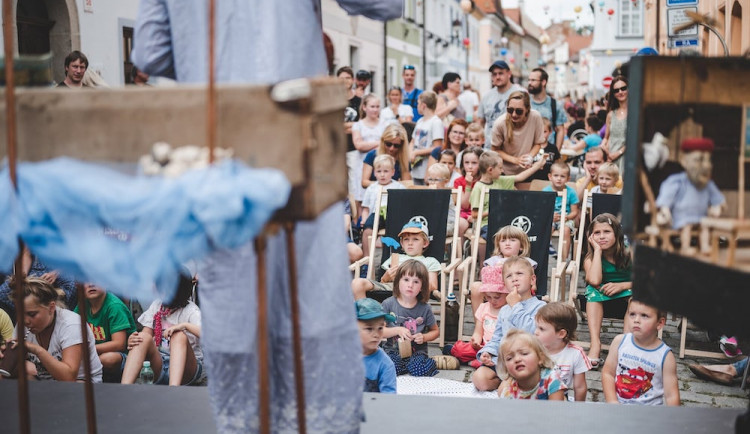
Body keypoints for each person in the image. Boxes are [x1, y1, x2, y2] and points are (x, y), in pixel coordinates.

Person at [133, 0, 400, 429]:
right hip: (295, 149)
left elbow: (150, 53)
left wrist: (206, 51)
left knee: (238, 313)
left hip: (219, 149)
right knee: (307, 304)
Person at [473, 257, 546, 391]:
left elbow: (532, 332)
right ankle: (504, 381)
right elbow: (497, 337)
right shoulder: (504, 310)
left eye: (519, 274)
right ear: (505, 284)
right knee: (479, 378)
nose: (514, 278)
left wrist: (516, 305)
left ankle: (511, 384)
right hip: (505, 361)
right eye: (509, 276)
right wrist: (488, 353)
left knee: (505, 391)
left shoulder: (541, 307)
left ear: (532, 279)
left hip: (527, 362)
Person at [11, 277, 103, 382]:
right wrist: (7, 359)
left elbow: (68, 378)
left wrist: (37, 350)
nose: (25, 321)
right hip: (46, 381)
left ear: (51, 307)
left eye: (32, 314)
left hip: (82, 382)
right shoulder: (23, 325)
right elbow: (11, 372)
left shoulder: (71, 325)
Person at [121, 270, 204, 386]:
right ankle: (125, 387)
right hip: (160, 363)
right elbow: (146, 336)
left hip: (187, 368)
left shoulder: (191, 311)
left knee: (178, 335)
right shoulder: (157, 305)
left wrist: (184, 326)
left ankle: (173, 389)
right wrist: (135, 340)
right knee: (142, 337)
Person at [602, 300, 680, 406]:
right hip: (618, 408)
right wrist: (612, 401)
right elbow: (608, 373)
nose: (636, 320)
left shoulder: (665, 357)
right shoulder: (620, 342)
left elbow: (671, 396)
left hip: (648, 415)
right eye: (632, 314)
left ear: (660, 323)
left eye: (644, 316)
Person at [655, 137, 725, 255]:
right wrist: (664, 209)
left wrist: (717, 207)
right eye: (699, 160)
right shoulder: (678, 181)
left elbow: (718, 199)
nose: (706, 166)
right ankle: (685, 247)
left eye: (708, 160)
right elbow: (666, 196)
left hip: (701, 216)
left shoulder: (707, 184)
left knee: (705, 227)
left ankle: (705, 247)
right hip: (683, 217)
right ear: (684, 162)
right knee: (686, 227)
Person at [583, 213, 632, 368]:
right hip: (603, 294)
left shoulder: (630, 253)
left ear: (617, 234)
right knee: (592, 292)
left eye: (607, 232)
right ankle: (595, 344)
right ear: (591, 237)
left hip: (629, 292)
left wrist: (623, 286)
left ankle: (626, 346)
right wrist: (597, 251)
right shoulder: (590, 258)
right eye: (597, 233)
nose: (601, 237)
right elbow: (595, 281)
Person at [351, 218, 441, 301]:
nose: (410, 243)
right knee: (357, 284)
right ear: (401, 243)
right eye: (406, 239)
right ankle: (364, 315)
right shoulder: (395, 257)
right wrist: (386, 277)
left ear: (425, 243)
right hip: (391, 288)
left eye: (415, 239)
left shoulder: (430, 261)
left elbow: (433, 286)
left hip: (414, 289)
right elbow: (383, 282)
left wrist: (412, 278)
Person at [470, 150, 547, 240]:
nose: (502, 170)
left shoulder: (499, 180)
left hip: (503, 223)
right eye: (500, 168)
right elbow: (474, 214)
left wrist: (538, 165)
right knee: (500, 236)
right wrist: (492, 211)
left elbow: (520, 177)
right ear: (490, 170)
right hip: (486, 225)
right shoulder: (478, 187)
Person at [381, 260, 439, 377]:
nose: (410, 285)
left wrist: (424, 337)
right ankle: (405, 366)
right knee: (391, 368)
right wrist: (397, 330)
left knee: (419, 370)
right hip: (393, 351)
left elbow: (435, 331)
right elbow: (380, 331)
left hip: (417, 352)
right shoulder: (388, 304)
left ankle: (431, 363)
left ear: (422, 287)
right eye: (406, 280)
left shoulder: (425, 308)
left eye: (416, 281)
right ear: (397, 282)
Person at [443, 265, 506, 367]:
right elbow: (478, 332)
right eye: (488, 297)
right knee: (461, 349)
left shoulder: (508, 310)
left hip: (500, 348)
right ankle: (471, 358)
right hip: (483, 346)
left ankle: (477, 362)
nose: (493, 300)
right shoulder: (484, 307)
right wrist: (475, 340)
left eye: (497, 297)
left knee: (502, 357)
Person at [467, 225, 536, 317]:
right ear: (499, 246)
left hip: (515, 292)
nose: (507, 243)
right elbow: (486, 283)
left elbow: (533, 287)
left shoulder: (526, 263)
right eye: (503, 241)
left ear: (521, 247)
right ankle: (480, 324)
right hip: (493, 292)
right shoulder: (493, 261)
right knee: (476, 286)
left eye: (512, 240)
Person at [74, 283, 137, 382]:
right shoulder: (82, 305)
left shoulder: (114, 306)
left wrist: (88, 349)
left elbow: (119, 344)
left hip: (123, 357)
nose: (91, 284)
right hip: (93, 354)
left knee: (108, 359)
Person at [0, 247, 77, 320]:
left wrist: (55, 274)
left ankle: (51, 302)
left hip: (63, 266)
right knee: (4, 292)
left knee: (72, 287)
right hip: (37, 267)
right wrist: (23, 278)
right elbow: (26, 252)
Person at [534, 302, 591, 401]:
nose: (536, 332)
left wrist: (578, 410)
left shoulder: (575, 353)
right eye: (537, 327)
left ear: (561, 334)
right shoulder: (533, 349)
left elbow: (580, 387)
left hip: (559, 399)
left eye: (541, 329)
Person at [491, 91, 546, 189]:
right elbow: (495, 150)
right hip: (504, 172)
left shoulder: (535, 117)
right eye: (510, 110)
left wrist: (529, 157)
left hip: (526, 170)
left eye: (519, 111)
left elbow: (538, 143)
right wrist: (515, 160)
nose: (514, 114)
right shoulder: (500, 123)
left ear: (527, 109)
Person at [496, 329, 566, 400]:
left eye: (524, 353)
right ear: (505, 367)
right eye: (509, 358)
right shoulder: (508, 390)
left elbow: (556, 410)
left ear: (540, 358)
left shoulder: (552, 379)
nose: (517, 359)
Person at [360, 154, 406, 258]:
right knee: (367, 230)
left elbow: (405, 205)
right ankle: (367, 260)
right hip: (376, 214)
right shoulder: (371, 188)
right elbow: (366, 208)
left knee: (399, 231)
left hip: (394, 214)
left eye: (386, 171)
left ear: (393, 172)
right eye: (379, 171)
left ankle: (395, 258)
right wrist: (364, 220)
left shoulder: (399, 187)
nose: (382, 175)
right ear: (374, 173)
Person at [352, 94, 389, 212]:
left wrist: (368, 144)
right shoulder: (358, 125)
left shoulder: (385, 124)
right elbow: (359, 145)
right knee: (361, 198)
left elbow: (388, 144)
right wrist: (380, 142)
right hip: (362, 164)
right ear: (364, 107)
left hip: (381, 165)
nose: (375, 109)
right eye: (372, 106)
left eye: (378, 106)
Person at [477, 60, 525, 145]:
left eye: (501, 73)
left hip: (514, 147)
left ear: (509, 74)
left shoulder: (521, 93)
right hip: (491, 147)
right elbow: (480, 121)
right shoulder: (486, 96)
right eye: (494, 74)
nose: (497, 77)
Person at [355, 298, 397, 393]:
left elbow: (388, 400)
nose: (376, 334)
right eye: (369, 328)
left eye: (380, 328)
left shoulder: (386, 364)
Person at [543, 161, 580, 261]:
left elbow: (574, 211)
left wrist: (566, 217)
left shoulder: (571, 192)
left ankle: (564, 258)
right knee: (547, 227)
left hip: (566, 218)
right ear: (550, 177)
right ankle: (547, 248)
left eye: (562, 176)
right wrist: (550, 216)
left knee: (566, 230)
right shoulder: (546, 191)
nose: (559, 178)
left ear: (568, 178)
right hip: (551, 219)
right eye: (556, 175)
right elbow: (542, 209)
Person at [362, 123, 412, 189]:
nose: (391, 148)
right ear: (383, 141)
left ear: (401, 146)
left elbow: (406, 183)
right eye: (388, 144)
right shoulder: (372, 155)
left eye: (396, 146)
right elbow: (364, 182)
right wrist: (385, 184)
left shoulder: (403, 159)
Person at [409, 91, 444, 185]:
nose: (417, 106)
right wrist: (410, 152)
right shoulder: (420, 121)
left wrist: (416, 152)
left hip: (427, 168)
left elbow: (437, 147)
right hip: (415, 169)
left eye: (418, 103)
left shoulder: (436, 122)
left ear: (423, 105)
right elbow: (412, 141)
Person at [528, 68, 567, 151]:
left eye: (533, 80)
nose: (529, 83)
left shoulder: (555, 104)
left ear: (543, 82)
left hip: (548, 153)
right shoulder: (525, 103)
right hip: (528, 151)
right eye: (529, 80)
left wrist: (556, 152)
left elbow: (560, 130)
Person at [454, 146, 483, 245]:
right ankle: (459, 254)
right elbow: (465, 205)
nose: (470, 166)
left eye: (474, 163)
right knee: (459, 224)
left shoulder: (485, 180)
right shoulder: (458, 181)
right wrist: (468, 185)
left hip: (481, 213)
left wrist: (475, 215)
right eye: (467, 163)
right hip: (464, 214)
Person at [600, 76, 628, 174]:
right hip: (611, 159)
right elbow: (606, 137)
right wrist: (603, 145)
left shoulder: (634, 113)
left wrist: (619, 153)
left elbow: (634, 139)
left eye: (623, 88)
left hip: (627, 159)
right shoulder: (611, 114)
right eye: (616, 90)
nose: (620, 92)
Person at [530, 117, 561, 182]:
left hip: (548, 181)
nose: (541, 134)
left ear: (550, 132)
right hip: (532, 180)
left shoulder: (553, 148)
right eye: (539, 131)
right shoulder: (531, 147)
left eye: (544, 132)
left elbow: (558, 164)